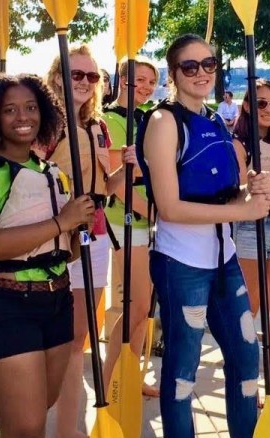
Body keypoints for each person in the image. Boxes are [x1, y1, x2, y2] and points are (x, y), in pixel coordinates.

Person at [138, 34, 270, 438]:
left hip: (224, 259)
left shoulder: (215, 121)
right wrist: (242, 209)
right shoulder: (162, 122)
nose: (201, 72)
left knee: (246, 358)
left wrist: (254, 192)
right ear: (174, 74)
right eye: (190, 66)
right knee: (181, 368)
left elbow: (228, 194)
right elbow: (170, 206)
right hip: (181, 263)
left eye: (208, 63)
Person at [0, 74, 95, 438]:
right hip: (2, 306)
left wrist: (80, 225)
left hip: (54, 302)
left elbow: (68, 239)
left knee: (38, 418)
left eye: (31, 108)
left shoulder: (47, 169)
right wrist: (60, 221)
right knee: (23, 430)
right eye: (10, 109)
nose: (23, 117)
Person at [45, 44, 120, 438]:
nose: (86, 83)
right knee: (53, 341)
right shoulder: (43, 124)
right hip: (56, 239)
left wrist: (127, 166)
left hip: (95, 235)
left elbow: (104, 187)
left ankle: (66, 428)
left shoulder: (100, 126)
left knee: (78, 338)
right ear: (57, 76)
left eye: (92, 77)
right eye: (77, 74)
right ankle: (32, 437)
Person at [101, 57, 160, 397]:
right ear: (123, 79)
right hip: (125, 219)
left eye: (151, 81)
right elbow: (117, 181)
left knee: (144, 305)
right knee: (135, 306)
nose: (146, 87)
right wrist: (152, 213)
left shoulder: (147, 119)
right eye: (140, 79)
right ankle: (112, 380)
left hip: (148, 216)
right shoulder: (110, 119)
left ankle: (132, 374)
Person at [231, 79, 270, 391]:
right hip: (251, 227)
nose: (268, 109)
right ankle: (244, 376)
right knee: (248, 306)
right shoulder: (239, 144)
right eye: (261, 103)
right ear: (247, 105)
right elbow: (242, 192)